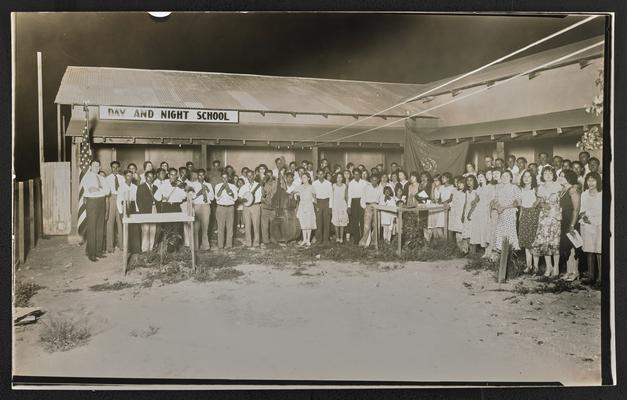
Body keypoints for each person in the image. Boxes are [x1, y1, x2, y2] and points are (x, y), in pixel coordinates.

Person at [531, 166, 562, 277]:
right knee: (545, 243)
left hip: (555, 218)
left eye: (550, 173)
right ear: (542, 175)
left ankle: (556, 267)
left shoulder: (558, 186)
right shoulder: (541, 187)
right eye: (545, 173)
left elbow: (561, 201)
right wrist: (542, 204)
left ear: (553, 174)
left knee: (554, 243)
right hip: (544, 217)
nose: (548, 175)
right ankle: (549, 267)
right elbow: (538, 202)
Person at [81, 160, 110, 262]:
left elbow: (108, 191)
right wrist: (99, 190)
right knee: (92, 227)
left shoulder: (102, 178)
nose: (96, 168)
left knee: (100, 227)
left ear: (100, 167)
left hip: (101, 202)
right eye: (94, 166)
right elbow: (90, 190)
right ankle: (91, 253)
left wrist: (98, 189)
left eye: (98, 166)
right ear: (90, 166)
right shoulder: (87, 177)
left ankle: (98, 251)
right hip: (92, 203)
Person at [153, 168, 188, 250]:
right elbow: (156, 197)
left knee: (177, 228)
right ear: (168, 175)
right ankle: (167, 249)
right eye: (171, 174)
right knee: (167, 229)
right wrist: (162, 197)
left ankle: (174, 248)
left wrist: (180, 188)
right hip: (166, 207)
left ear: (177, 176)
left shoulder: (179, 184)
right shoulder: (163, 184)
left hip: (176, 207)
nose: (173, 176)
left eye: (175, 175)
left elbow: (184, 196)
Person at [580, 172, 602, 286]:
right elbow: (582, 209)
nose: (591, 183)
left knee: (599, 251)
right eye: (588, 180)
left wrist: (592, 217)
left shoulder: (602, 194)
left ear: (598, 181)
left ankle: (600, 279)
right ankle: (591, 276)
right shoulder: (584, 194)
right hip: (587, 224)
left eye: (593, 180)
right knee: (589, 250)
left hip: (599, 224)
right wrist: (584, 216)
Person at [558, 170, 581, 280]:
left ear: (569, 178)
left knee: (573, 247)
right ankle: (568, 271)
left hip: (571, 221)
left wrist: (572, 225)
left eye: (563, 176)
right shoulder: (563, 189)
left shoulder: (573, 190)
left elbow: (576, 209)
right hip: (563, 221)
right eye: (560, 175)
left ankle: (575, 272)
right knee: (565, 247)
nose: (560, 177)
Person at [492, 170, 521, 254]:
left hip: (510, 213)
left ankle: (511, 254)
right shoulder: (499, 188)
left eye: (507, 176)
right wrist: (497, 207)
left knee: (509, 233)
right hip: (500, 214)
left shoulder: (514, 188)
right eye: (503, 176)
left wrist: (504, 207)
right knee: (500, 232)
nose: (504, 178)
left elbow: (518, 203)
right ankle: (501, 255)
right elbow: (495, 201)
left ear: (511, 178)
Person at [518, 170, 540, 274]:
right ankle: (528, 265)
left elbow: (539, 203)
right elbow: (521, 205)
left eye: (529, 176)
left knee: (534, 242)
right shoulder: (521, 189)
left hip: (534, 215)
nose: (526, 178)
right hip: (524, 215)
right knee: (526, 243)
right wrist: (521, 216)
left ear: (533, 178)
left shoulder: (536, 189)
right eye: (524, 176)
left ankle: (536, 267)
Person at [188, 169, 214, 251]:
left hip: (206, 206)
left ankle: (206, 247)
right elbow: (190, 197)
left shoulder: (209, 185)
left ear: (204, 176)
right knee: (196, 228)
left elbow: (212, 198)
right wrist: (199, 193)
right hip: (196, 206)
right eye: (199, 175)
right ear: (197, 176)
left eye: (203, 175)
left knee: (205, 228)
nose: (201, 177)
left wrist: (208, 190)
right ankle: (195, 248)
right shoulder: (193, 185)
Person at [117, 169, 141, 255]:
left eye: (131, 176)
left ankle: (136, 249)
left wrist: (138, 210)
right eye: (127, 176)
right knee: (127, 228)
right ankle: (128, 248)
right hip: (125, 207)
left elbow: (137, 200)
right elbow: (118, 201)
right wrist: (120, 212)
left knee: (135, 228)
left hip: (133, 207)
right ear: (124, 177)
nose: (129, 178)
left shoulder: (135, 187)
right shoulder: (121, 187)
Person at [136, 170, 158, 253]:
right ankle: (144, 249)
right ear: (145, 178)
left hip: (154, 209)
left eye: (152, 177)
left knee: (153, 229)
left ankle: (151, 249)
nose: (150, 178)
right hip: (145, 211)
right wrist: (142, 212)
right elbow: (138, 201)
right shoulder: (141, 187)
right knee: (145, 230)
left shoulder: (155, 187)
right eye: (148, 177)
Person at [214, 171, 238, 249]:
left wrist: (228, 190)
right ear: (221, 178)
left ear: (229, 178)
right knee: (220, 227)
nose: (225, 179)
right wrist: (222, 188)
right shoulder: (218, 186)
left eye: (226, 178)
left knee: (230, 227)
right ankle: (220, 245)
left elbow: (235, 198)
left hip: (230, 208)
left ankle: (229, 245)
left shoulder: (233, 186)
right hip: (220, 208)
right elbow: (217, 197)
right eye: (223, 178)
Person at [239, 170, 262, 247]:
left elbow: (263, 195)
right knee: (247, 225)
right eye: (248, 176)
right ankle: (248, 242)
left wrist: (264, 193)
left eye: (251, 175)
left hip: (256, 206)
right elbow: (239, 198)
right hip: (246, 207)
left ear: (254, 175)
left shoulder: (259, 185)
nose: (250, 177)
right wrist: (243, 200)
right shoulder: (244, 186)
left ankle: (256, 243)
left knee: (256, 225)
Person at [469, 171, 492, 251]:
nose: (480, 179)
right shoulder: (479, 187)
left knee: (485, 230)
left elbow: (491, 200)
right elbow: (477, 198)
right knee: (478, 230)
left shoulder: (490, 187)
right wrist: (474, 202)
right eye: (478, 177)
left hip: (486, 210)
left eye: (481, 176)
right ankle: (479, 251)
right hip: (479, 210)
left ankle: (487, 251)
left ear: (486, 177)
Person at [359, 173, 384, 247]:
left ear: (378, 180)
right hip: (368, 206)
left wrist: (379, 206)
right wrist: (365, 207)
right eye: (373, 180)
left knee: (377, 226)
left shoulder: (380, 188)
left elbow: (381, 199)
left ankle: (374, 242)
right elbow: (362, 199)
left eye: (376, 180)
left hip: (377, 207)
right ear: (370, 180)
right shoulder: (366, 188)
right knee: (367, 226)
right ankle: (364, 243)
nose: (374, 182)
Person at [105, 161, 124, 253]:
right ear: (111, 168)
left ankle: (122, 245)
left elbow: (124, 190)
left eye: (117, 167)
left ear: (119, 168)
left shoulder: (122, 178)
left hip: (120, 198)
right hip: (111, 197)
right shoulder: (107, 178)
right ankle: (110, 247)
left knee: (120, 222)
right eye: (113, 167)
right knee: (110, 222)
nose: (115, 169)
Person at [294, 172, 316, 246]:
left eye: (305, 177)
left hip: (309, 205)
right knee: (303, 222)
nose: (303, 179)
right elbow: (293, 191)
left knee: (308, 222)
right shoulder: (300, 187)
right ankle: (304, 239)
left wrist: (316, 205)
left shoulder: (311, 187)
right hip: (302, 205)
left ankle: (308, 240)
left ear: (308, 178)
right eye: (302, 177)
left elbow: (314, 197)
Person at [483, 169, 501, 258]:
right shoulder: (490, 185)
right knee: (490, 230)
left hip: (500, 210)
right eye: (493, 174)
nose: (495, 175)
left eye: (497, 173)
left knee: (497, 231)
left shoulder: (503, 185)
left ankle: (496, 252)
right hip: (490, 210)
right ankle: (488, 250)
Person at [347, 169, 367, 244]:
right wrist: (349, 206)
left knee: (362, 221)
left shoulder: (364, 183)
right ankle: (356, 239)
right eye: (355, 174)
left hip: (362, 202)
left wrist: (364, 206)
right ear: (353, 175)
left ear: (360, 174)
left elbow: (365, 195)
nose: (356, 176)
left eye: (358, 174)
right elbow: (350, 196)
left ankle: (363, 239)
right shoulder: (351, 183)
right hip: (354, 203)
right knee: (355, 222)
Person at [313, 169, 333, 243]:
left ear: (324, 174)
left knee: (326, 221)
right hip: (318, 202)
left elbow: (331, 195)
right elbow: (313, 195)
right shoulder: (314, 183)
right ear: (317, 175)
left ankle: (325, 239)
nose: (320, 176)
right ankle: (319, 239)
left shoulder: (328, 183)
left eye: (322, 174)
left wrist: (330, 207)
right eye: (319, 174)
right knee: (318, 221)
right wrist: (315, 205)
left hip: (326, 202)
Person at [449, 176, 467, 253]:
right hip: (456, 214)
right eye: (458, 183)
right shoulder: (457, 192)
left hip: (462, 214)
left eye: (461, 183)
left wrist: (463, 214)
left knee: (463, 231)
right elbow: (453, 203)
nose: (459, 185)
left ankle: (465, 249)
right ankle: (460, 249)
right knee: (457, 232)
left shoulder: (466, 193)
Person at [462, 175, 479, 255]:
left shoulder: (476, 191)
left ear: (474, 181)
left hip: (473, 213)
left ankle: (473, 252)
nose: (469, 182)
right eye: (467, 180)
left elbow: (475, 204)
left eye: (471, 180)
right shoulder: (466, 192)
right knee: (467, 232)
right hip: (466, 212)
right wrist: (463, 214)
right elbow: (465, 203)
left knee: (472, 232)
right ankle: (469, 251)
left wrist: (470, 213)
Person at [260, 170, 277, 246]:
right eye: (267, 175)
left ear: (272, 175)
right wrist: (262, 185)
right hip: (265, 206)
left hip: (273, 207)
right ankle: (265, 240)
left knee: (273, 224)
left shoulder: (275, 183)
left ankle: (273, 238)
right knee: (265, 225)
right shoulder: (263, 184)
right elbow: (263, 195)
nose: (269, 177)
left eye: (270, 175)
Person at [331, 172, 349, 243]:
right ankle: (337, 237)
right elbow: (331, 196)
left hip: (342, 205)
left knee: (342, 221)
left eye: (341, 177)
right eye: (338, 177)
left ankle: (341, 238)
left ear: (342, 178)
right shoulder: (333, 185)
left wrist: (348, 205)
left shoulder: (345, 186)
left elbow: (346, 196)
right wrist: (331, 206)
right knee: (336, 222)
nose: (339, 179)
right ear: (336, 178)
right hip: (335, 204)